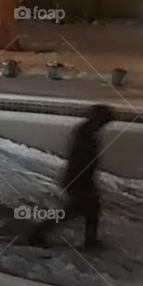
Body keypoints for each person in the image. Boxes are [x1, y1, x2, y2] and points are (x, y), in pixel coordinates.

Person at [30, 105, 114, 249]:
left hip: (79, 178)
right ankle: (38, 233)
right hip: (79, 179)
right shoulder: (86, 134)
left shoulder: (87, 131)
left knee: (86, 210)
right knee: (78, 210)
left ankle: (40, 232)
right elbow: (82, 160)